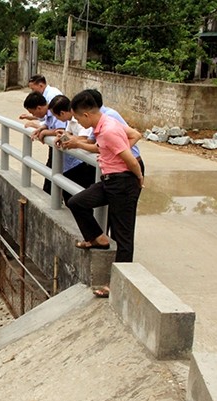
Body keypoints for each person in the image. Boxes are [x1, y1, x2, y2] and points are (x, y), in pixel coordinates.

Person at [67, 91, 144, 297]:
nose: (77, 124)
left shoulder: (108, 129)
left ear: (86, 115)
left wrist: (138, 178)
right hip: (110, 180)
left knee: (122, 235)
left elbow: (131, 159)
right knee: (77, 202)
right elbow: (135, 134)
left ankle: (118, 286)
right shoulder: (105, 123)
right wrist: (114, 150)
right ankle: (98, 238)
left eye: (77, 119)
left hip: (124, 181)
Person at [21, 91, 67, 193]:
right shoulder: (48, 113)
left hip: (66, 156)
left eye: (33, 113)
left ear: (39, 108)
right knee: (50, 182)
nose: (34, 115)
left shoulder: (55, 111)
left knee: (60, 186)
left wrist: (46, 132)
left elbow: (62, 130)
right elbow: (47, 124)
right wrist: (41, 129)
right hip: (56, 152)